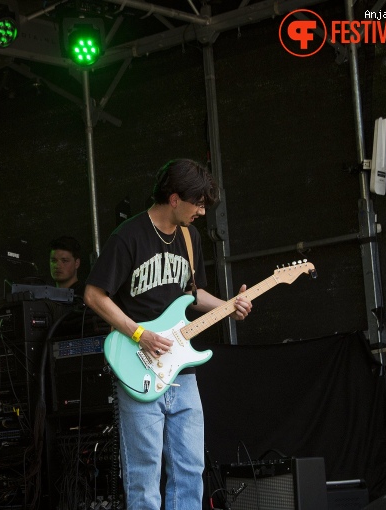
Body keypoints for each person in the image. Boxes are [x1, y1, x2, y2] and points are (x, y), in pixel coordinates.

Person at [83, 159, 252, 510]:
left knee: (190, 469)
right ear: (175, 199)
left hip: (182, 371)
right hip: (138, 366)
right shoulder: (127, 236)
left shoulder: (190, 239)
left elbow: (193, 293)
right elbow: (93, 295)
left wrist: (229, 304)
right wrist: (139, 333)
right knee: (145, 477)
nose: (203, 211)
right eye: (199, 203)